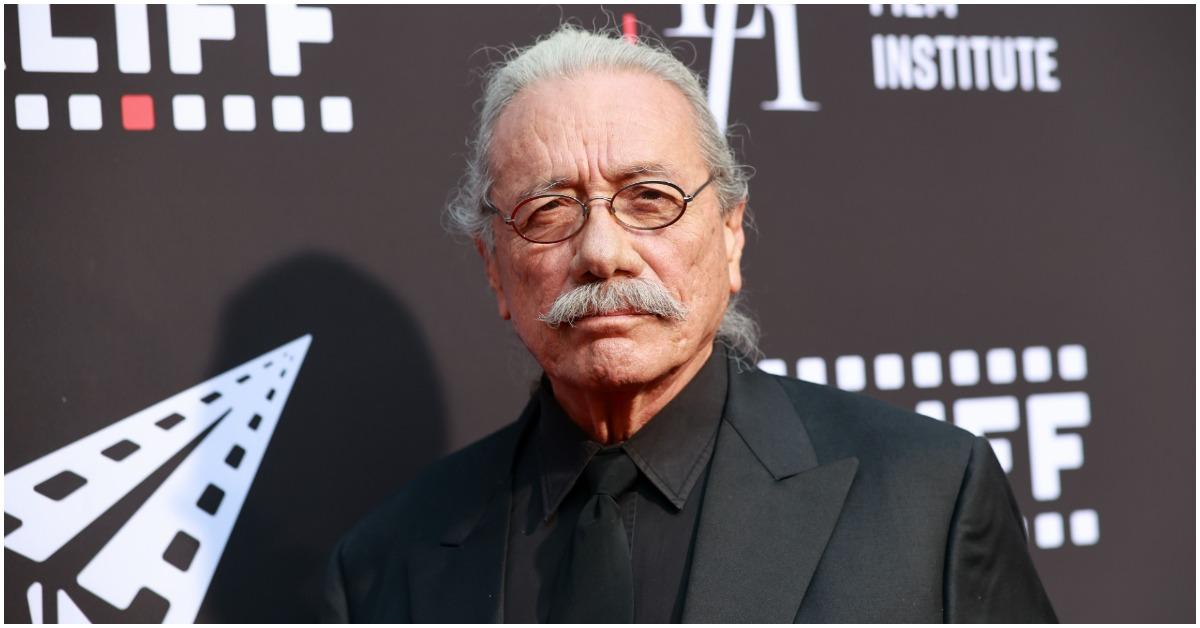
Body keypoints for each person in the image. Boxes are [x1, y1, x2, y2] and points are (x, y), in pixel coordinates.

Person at [320, 25, 1057, 623]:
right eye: (549, 211)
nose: (602, 254)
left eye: (649, 199)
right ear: (494, 267)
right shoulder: (387, 567)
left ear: (730, 234)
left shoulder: (926, 499)